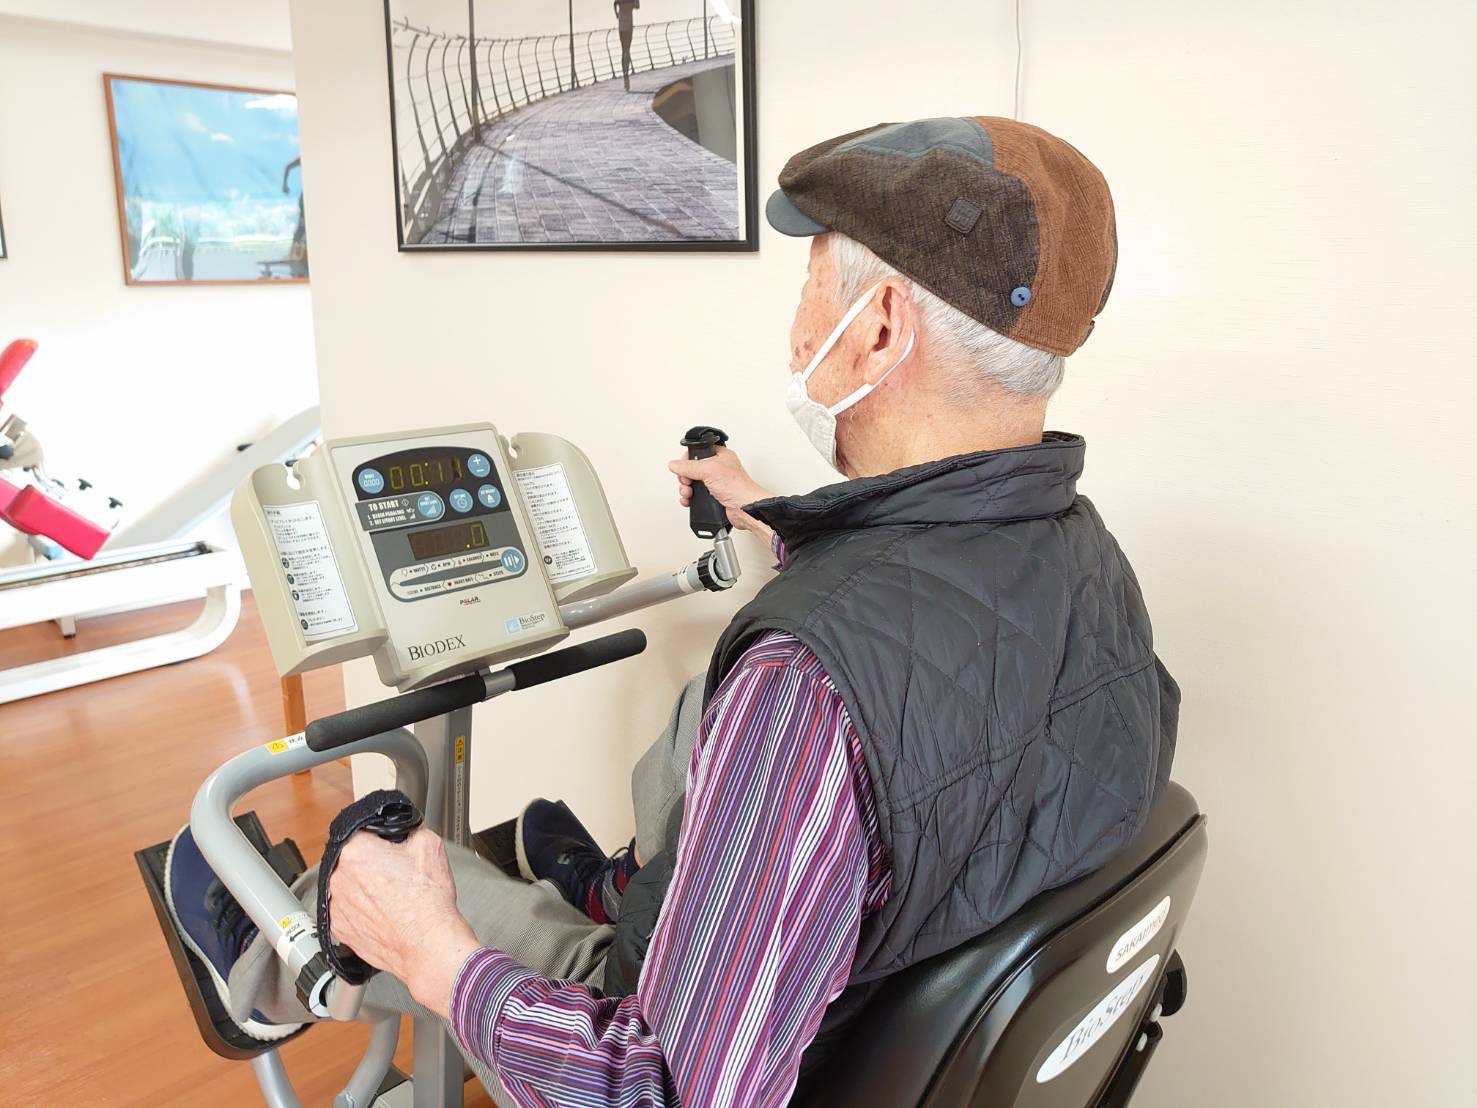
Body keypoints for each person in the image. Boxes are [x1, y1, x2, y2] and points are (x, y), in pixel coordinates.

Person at [167, 116, 1178, 1107]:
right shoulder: (1088, 559)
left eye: (810, 281)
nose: (798, 323)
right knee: (706, 701)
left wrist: (428, 948)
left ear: (876, 329)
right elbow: (937, 638)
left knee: (381, 870)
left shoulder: (803, 683)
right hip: (883, 1008)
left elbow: (657, 1091)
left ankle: (257, 969)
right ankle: (618, 889)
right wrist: (778, 519)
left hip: (699, 1057)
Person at [615, 0, 638, 91]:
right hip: (628, 26)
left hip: (621, 26)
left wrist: (617, 13)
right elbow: (637, 6)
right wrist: (630, 5)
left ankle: (625, 75)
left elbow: (615, 3)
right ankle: (626, 75)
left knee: (624, 51)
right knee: (626, 51)